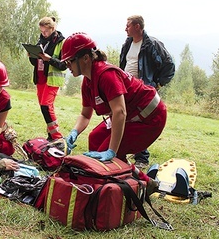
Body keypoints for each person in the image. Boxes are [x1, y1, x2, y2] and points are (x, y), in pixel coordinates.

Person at [62, 32, 165, 194]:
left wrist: (112, 151)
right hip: (132, 115)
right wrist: (74, 132)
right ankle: (142, 182)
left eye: (70, 60)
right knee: (94, 139)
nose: (68, 65)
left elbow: (120, 112)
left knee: (107, 157)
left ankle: (125, 185)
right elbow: (85, 115)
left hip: (150, 118)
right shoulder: (87, 82)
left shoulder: (106, 75)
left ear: (86, 58)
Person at [119, 15, 175, 168]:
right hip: (126, 88)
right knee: (122, 118)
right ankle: (120, 152)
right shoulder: (128, 43)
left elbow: (169, 66)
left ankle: (142, 158)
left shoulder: (152, 44)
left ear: (137, 26)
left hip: (142, 90)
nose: (125, 28)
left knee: (139, 121)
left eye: (128, 25)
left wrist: (157, 84)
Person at [28, 16, 67, 141]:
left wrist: (49, 59)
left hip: (52, 80)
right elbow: (35, 63)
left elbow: (63, 65)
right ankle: (51, 135)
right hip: (40, 78)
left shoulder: (61, 42)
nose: (43, 34)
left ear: (52, 28)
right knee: (45, 108)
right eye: (41, 31)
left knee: (46, 106)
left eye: (46, 31)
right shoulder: (41, 41)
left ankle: (57, 137)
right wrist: (32, 55)